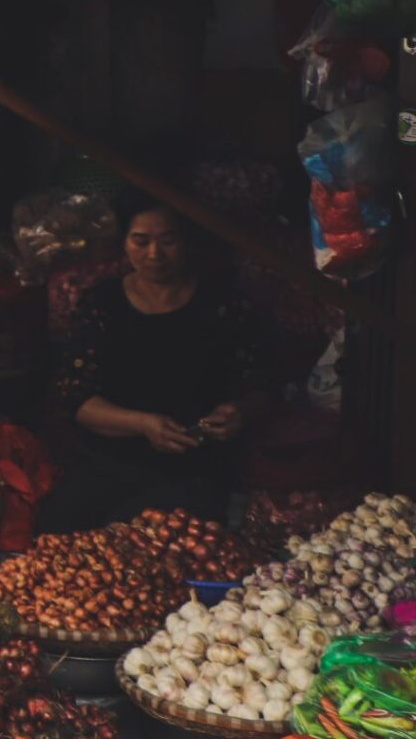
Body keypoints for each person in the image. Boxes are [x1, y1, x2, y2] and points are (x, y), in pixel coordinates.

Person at [45, 199, 269, 530]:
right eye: (140, 241)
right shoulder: (101, 304)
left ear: (186, 242)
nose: (154, 254)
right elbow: (76, 400)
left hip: (192, 471)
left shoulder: (223, 304)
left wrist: (239, 413)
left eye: (168, 241)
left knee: (163, 542)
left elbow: (260, 387)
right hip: (105, 464)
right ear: (123, 243)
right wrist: (143, 424)